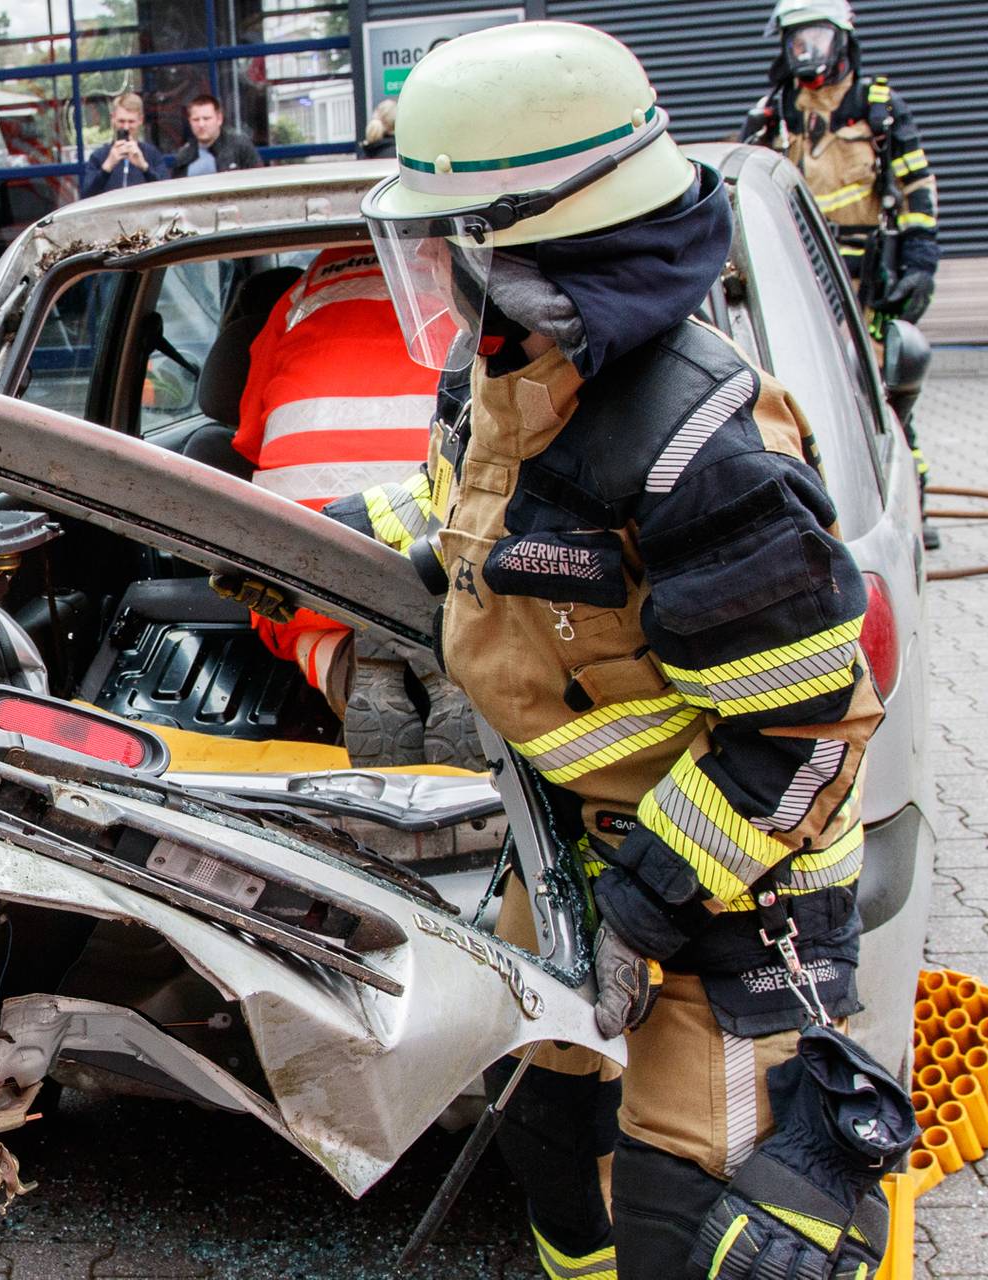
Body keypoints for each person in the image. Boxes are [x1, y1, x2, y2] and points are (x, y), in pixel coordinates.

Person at [336, 22, 884, 1279]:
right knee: (546, 1136)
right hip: (580, 851)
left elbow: (802, 740)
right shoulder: (510, 371)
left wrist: (644, 912)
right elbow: (453, 518)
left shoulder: (707, 451)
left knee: (694, 1230)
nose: (445, 276)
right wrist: (269, 538)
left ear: (549, 245)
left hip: (737, 894)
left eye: (462, 242)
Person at [225, 246, 474, 765]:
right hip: (439, 533)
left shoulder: (300, 295)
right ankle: (451, 665)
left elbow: (248, 433)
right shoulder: (481, 279)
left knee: (278, 599)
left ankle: (348, 665)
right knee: (475, 587)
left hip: (317, 544)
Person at [740, 0, 938, 328]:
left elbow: (917, 187)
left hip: (867, 284)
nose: (806, 51)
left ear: (842, 40)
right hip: (795, 277)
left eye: (816, 39)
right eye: (797, 42)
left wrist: (919, 266)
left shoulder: (879, 110)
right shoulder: (771, 116)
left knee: (881, 370)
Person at [79, 91, 167, 197]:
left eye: (131, 122)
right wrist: (107, 167)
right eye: (121, 121)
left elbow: (166, 191)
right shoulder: (99, 156)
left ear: (140, 120)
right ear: (113, 119)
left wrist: (144, 167)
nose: (126, 127)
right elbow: (86, 196)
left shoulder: (152, 154)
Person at [172, 93, 261, 176]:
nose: (201, 124)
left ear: (219, 119)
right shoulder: (183, 156)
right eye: (196, 119)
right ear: (189, 122)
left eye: (206, 119)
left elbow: (258, 180)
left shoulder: (240, 147)